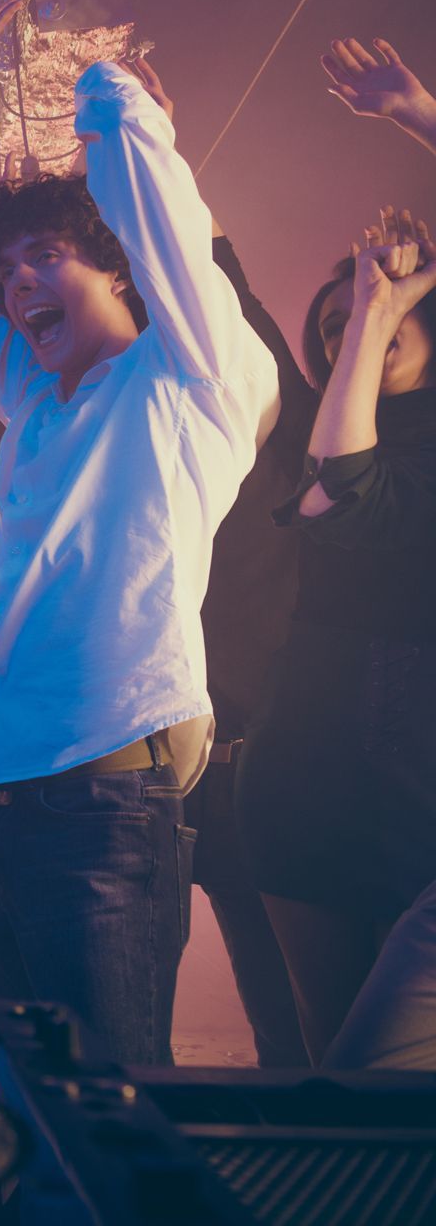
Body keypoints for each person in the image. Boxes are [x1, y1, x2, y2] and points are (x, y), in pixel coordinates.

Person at [0, 0, 276, 1064]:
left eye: (46, 257)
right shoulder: (35, 400)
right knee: (17, 1121)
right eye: (9, 269)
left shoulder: (190, 376)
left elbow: (163, 218)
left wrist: (105, 83)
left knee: (112, 1118)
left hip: (104, 810)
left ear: (117, 261)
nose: (18, 285)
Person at [239, 207, 436, 1064]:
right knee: (329, 1069)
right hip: (307, 778)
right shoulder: (316, 435)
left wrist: (417, 113)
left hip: (422, 776)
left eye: (388, 315)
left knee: (393, 1070)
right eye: (336, 324)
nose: (357, 325)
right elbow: (231, 302)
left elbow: (355, 486)